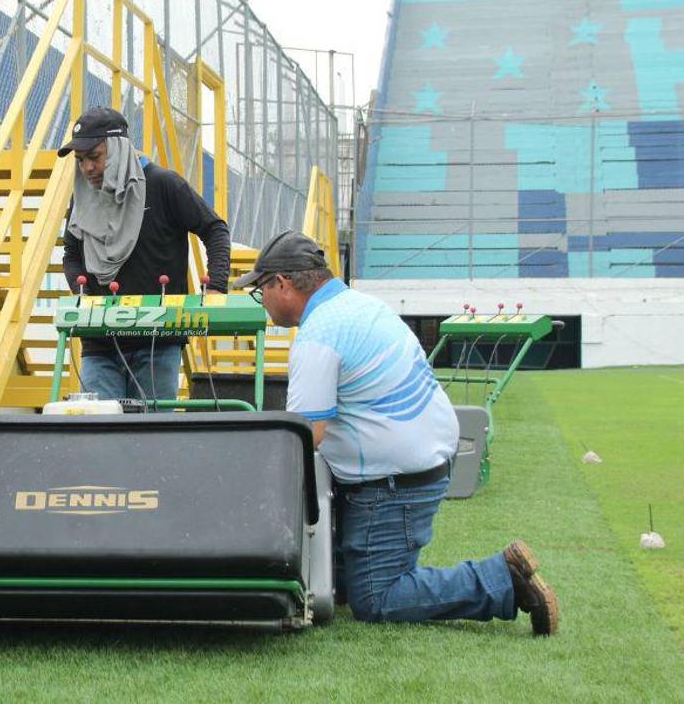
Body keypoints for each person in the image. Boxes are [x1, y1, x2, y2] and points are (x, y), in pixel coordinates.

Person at [236, 230, 559, 636]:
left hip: (393, 482)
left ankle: (502, 581)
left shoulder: (319, 335)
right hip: (423, 462)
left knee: (377, 598)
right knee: (339, 585)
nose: (260, 300)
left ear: (280, 284)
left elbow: (303, 439)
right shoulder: (361, 306)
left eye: (259, 290)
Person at [59, 107, 230, 401]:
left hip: (158, 341)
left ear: (118, 149)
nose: (87, 168)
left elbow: (215, 229)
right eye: (80, 160)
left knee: (151, 437)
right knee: (98, 436)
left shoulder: (164, 185)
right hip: (99, 343)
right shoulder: (83, 199)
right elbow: (71, 254)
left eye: (95, 157)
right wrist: (81, 288)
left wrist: (216, 286)